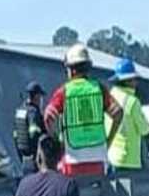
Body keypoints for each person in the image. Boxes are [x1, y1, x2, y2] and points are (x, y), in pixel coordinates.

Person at [43, 44, 123, 177]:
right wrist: (108, 141)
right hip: (98, 159)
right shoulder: (99, 89)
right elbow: (118, 113)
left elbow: (48, 117)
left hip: (72, 160)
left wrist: (58, 142)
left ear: (72, 70)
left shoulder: (64, 92)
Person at [106, 58, 149, 172]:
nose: (136, 82)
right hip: (129, 161)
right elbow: (144, 130)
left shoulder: (109, 97)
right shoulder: (133, 102)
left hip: (111, 158)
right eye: (134, 79)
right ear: (128, 81)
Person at [13, 82, 46, 172]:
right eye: (40, 96)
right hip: (34, 158)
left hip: (22, 157)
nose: (41, 99)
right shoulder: (33, 112)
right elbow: (34, 134)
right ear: (36, 96)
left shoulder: (20, 110)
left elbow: (16, 135)